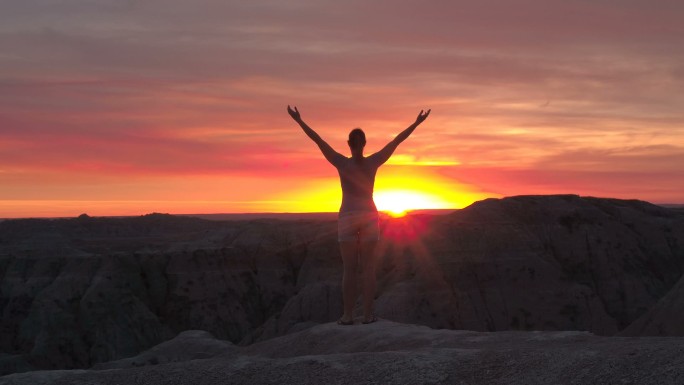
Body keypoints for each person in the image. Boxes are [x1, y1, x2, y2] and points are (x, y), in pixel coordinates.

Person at [287, 105, 430, 325]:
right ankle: (367, 315)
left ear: (349, 144)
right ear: (363, 144)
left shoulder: (341, 162)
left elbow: (317, 139)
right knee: (369, 267)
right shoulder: (373, 161)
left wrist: (298, 120)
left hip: (347, 217)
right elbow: (396, 141)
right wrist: (417, 123)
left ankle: (347, 315)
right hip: (369, 216)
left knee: (349, 269)